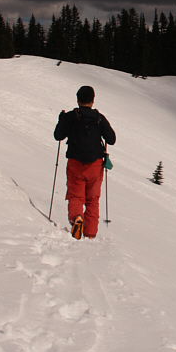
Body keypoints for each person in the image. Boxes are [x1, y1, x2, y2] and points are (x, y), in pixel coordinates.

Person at [54, 85, 116, 239]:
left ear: (78, 100)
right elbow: (112, 139)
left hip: (75, 162)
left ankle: (77, 218)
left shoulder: (70, 116)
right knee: (92, 199)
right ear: (93, 100)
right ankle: (90, 234)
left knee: (76, 195)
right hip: (95, 165)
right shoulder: (99, 118)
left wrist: (61, 120)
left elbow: (58, 136)